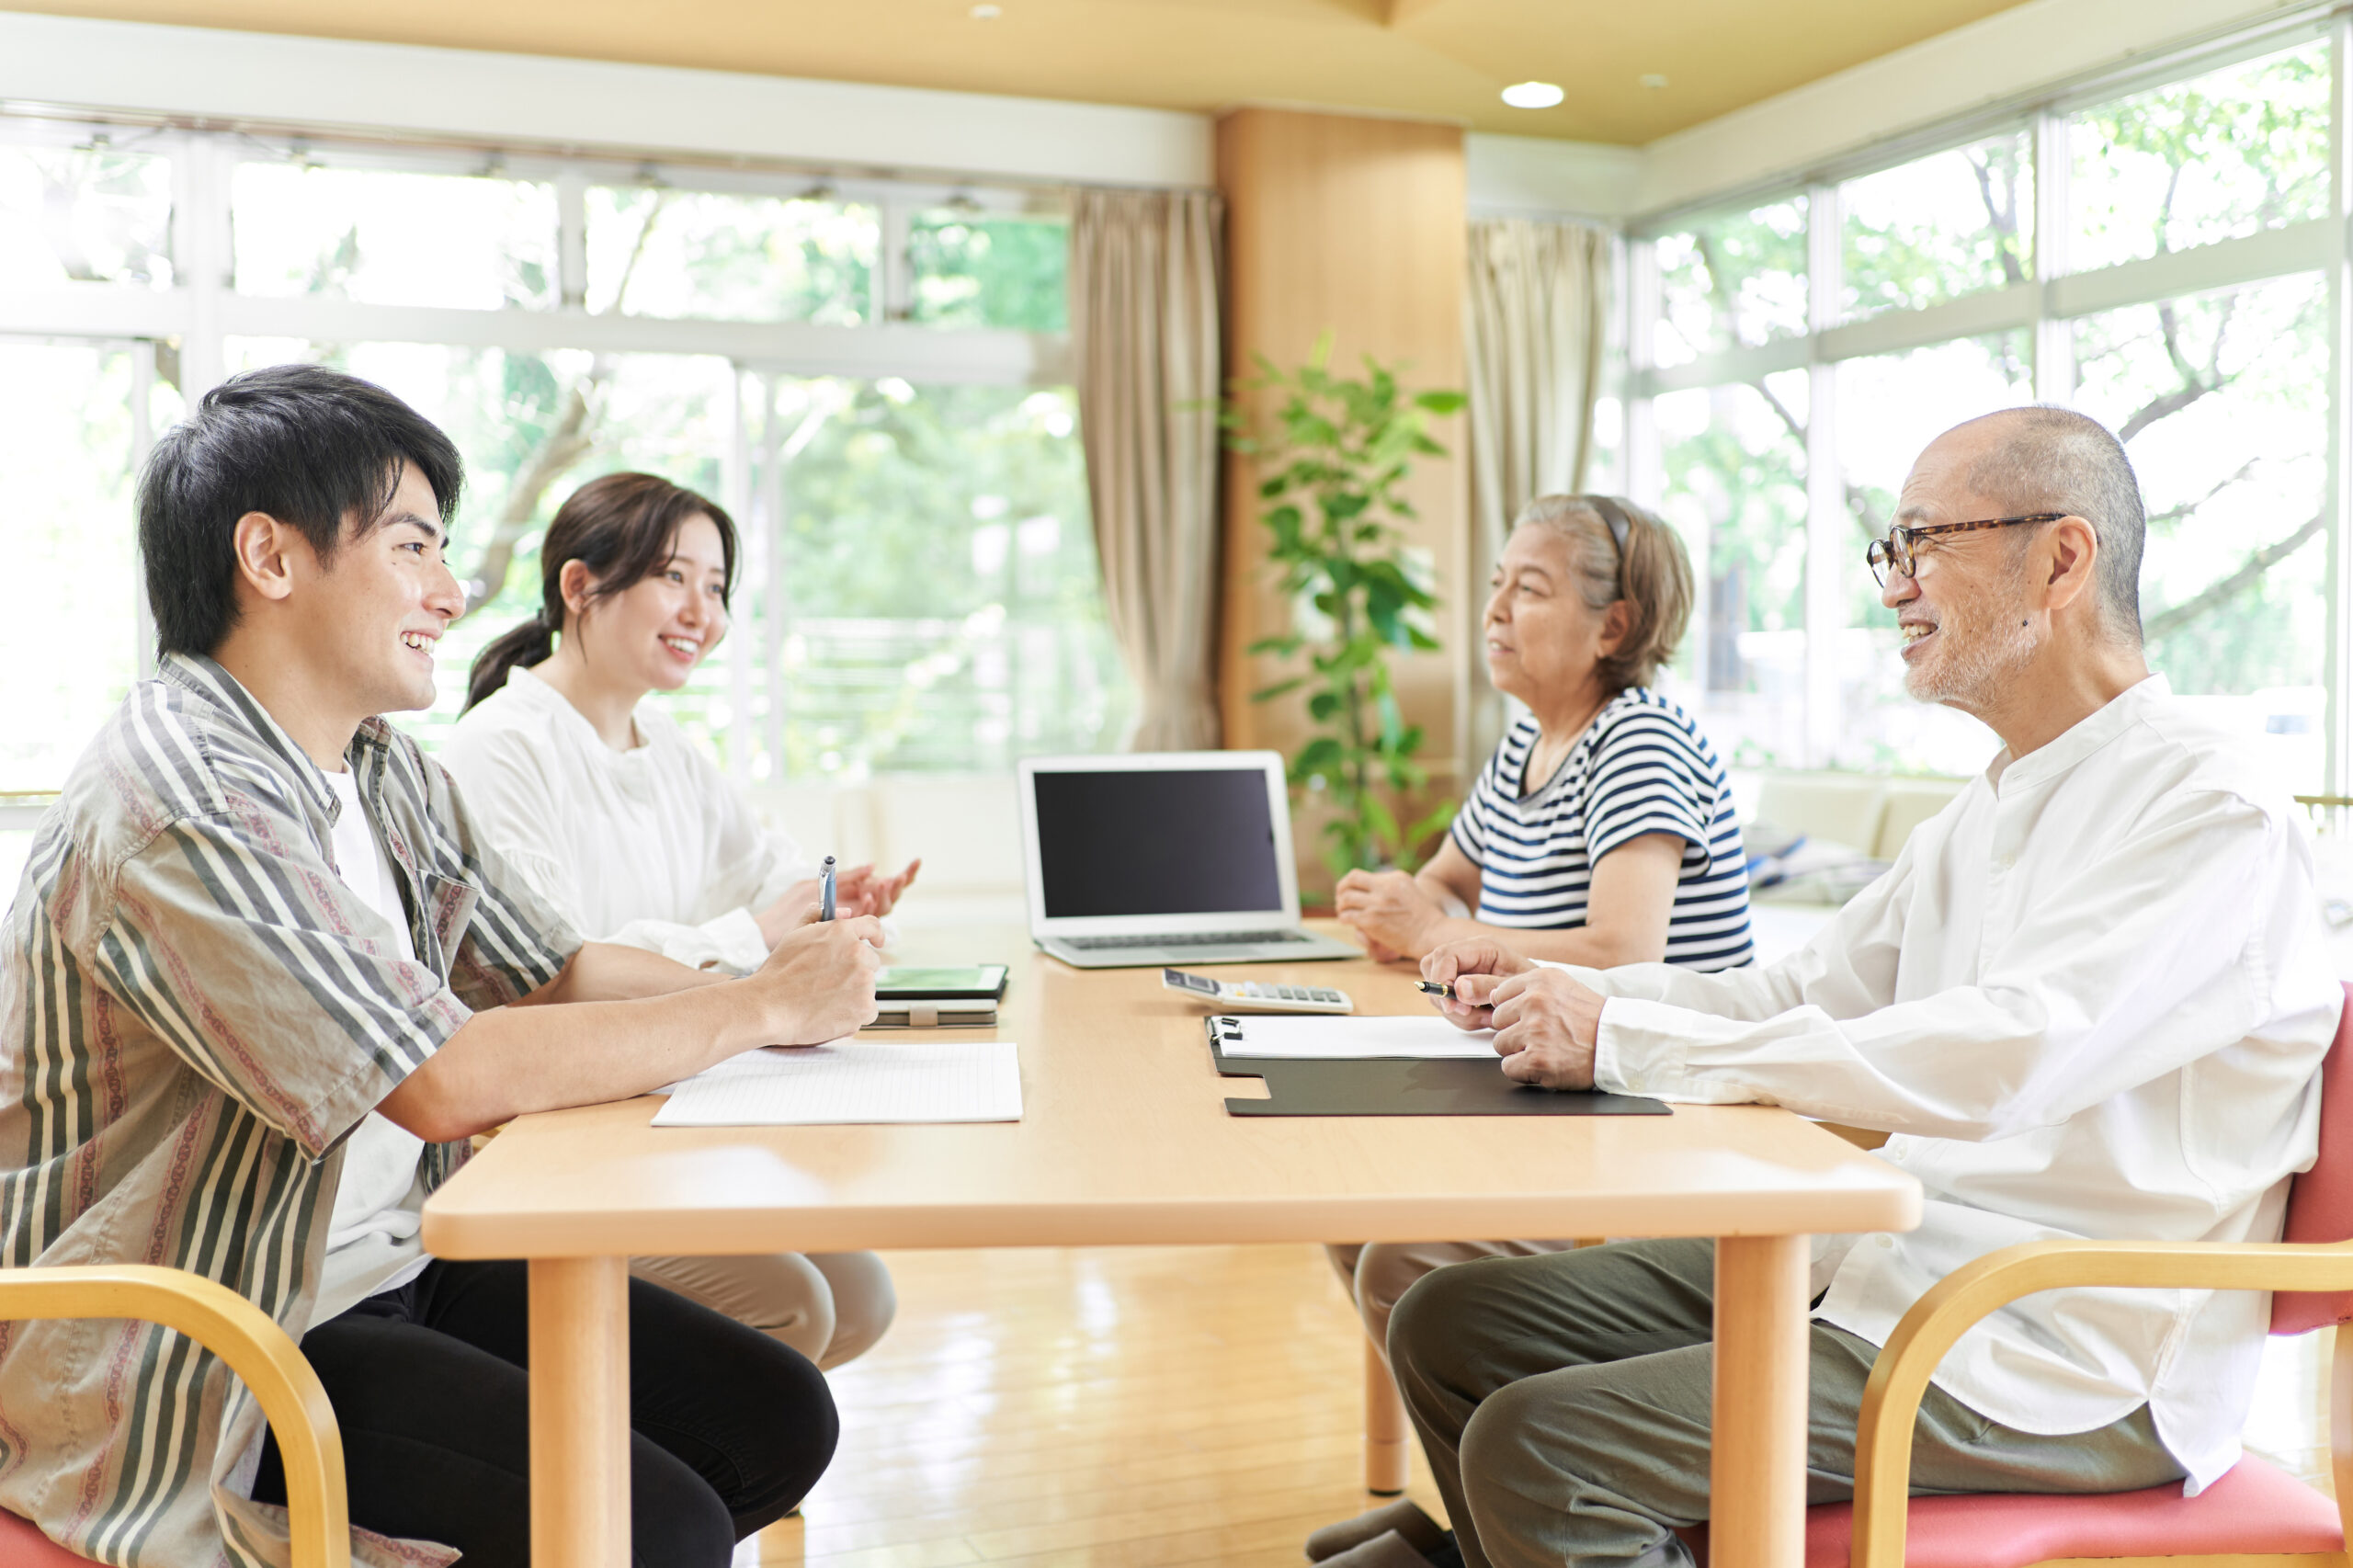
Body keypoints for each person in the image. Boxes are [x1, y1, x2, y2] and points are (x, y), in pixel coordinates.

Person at [1307, 406, 2343, 1568]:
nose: (1893, 583)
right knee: (1450, 1321)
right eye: (1888, 550)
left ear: (2060, 558)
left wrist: (1624, 1042)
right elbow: (1801, 987)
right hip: (1891, 1257)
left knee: (1539, 1445)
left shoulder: (2210, 804)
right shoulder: (1987, 806)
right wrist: (1570, 1000)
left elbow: (2012, 1052)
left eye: (1922, 542)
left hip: (2057, 1341)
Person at [0, 365, 884, 1568]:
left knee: (775, 1419)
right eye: (414, 546)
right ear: (270, 557)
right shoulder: (183, 794)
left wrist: (782, 1003)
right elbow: (439, 1078)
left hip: (392, 1259)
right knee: (659, 1527)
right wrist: (756, 1000)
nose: (453, 591)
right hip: (222, 1331)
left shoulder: (378, 764)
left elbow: (550, 967)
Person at [439, 472, 915, 1369]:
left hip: (667, 1097)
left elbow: (763, 871)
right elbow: (552, 971)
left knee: (858, 1297)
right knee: (794, 1308)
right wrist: (752, 942)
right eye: (674, 576)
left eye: (719, 586)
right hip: (553, 1124)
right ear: (579, 587)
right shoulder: (500, 747)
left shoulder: (669, 748)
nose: (702, 608)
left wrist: (829, 904)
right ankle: (624, 1498)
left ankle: (697, 1481)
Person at [1326, 494, 1753, 1353]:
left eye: (1528, 588)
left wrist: (1428, 934)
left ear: (1612, 626)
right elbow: (1444, 883)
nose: (1493, 611)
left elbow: (1623, 950)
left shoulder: (1638, 742)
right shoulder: (1527, 743)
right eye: (1495, 584)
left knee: (1399, 1260)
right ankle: (1463, 1488)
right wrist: (1408, 912)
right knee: (1349, 1207)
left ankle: (1500, 1474)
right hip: (1553, 1088)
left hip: (1657, 1111)